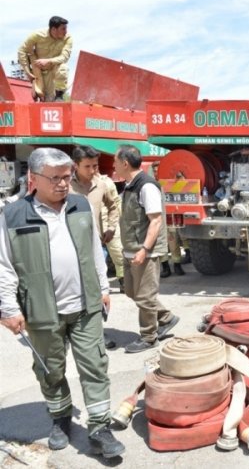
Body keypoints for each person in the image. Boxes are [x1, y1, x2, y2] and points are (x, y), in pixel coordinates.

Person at [0, 148, 125, 458]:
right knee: (50, 370)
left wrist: (103, 287)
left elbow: (96, 249)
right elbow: (5, 266)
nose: (62, 184)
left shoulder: (80, 205)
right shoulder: (13, 215)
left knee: (95, 366)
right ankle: (60, 418)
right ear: (34, 178)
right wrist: (9, 309)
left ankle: (99, 427)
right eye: (54, 178)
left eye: (67, 177)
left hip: (85, 307)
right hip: (41, 312)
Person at [114, 145, 179, 353]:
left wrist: (144, 249)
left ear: (125, 164)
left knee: (145, 296)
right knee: (132, 292)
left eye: (115, 162)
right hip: (131, 248)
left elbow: (156, 221)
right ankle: (166, 318)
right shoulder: (130, 185)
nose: (113, 165)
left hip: (145, 251)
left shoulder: (146, 186)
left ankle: (149, 337)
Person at [70, 145, 125, 292]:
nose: (92, 170)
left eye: (95, 166)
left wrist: (112, 228)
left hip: (96, 243)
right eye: (87, 166)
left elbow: (113, 206)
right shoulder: (66, 187)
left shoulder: (102, 184)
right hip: (72, 244)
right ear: (76, 165)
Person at [17, 16, 72, 102]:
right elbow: (22, 50)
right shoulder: (37, 35)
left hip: (54, 70)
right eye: (63, 29)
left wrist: (49, 61)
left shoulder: (68, 38)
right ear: (54, 29)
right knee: (47, 102)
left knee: (63, 68)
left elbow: (64, 57)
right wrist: (27, 71)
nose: (66, 31)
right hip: (39, 73)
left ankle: (59, 95)